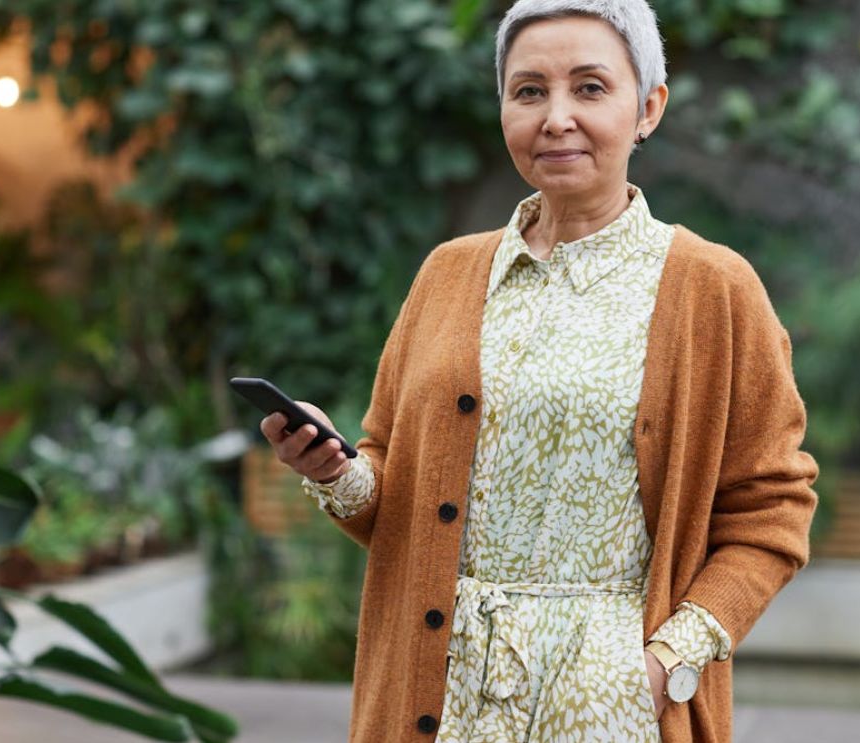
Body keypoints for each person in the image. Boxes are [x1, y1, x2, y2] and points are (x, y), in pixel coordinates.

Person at [258, 1, 820, 740]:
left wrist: (664, 664)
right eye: (528, 91)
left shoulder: (712, 288)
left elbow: (771, 509)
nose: (555, 117)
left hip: (608, 709)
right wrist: (333, 471)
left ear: (648, 108)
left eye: (590, 88)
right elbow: (399, 497)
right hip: (442, 699)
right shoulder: (448, 273)